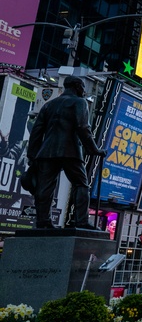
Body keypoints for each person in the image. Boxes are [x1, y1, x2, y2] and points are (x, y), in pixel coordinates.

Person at [25, 76, 106, 230]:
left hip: (47, 152)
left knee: (44, 188)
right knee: (81, 184)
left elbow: (36, 132)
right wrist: (94, 150)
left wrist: (32, 156)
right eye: (82, 87)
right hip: (70, 151)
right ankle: (81, 221)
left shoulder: (48, 105)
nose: (83, 90)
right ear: (76, 86)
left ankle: (43, 222)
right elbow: (83, 128)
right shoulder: (79, 102)